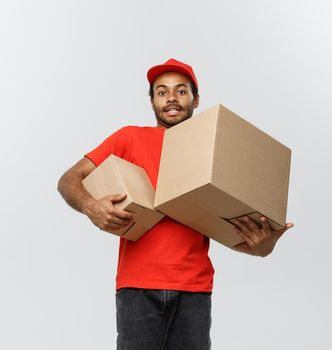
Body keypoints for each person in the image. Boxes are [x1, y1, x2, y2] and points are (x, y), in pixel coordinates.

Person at [57, 58, 294, 350]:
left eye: (181, 91)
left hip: (193, 291)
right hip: (137, 288)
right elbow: (69, 180)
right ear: (152, 102)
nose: (171, 97)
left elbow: (225, 226)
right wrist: (90, 206)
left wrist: (264, 247)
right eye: (162, 92)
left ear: (196, 100)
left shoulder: (210, 149)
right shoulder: (129, 138)